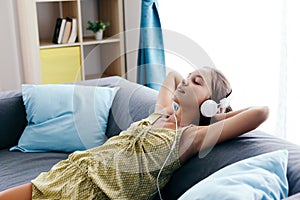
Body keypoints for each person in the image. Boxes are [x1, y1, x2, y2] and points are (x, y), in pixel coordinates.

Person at [0, 66, 269, 200]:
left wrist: (214, 115)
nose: (187, 80)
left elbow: (260, 112)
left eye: (197, 82)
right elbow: (173, 75)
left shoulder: (192, 137)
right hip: (72, 170)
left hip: (95, 193)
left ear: (209, 103)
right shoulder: (161, 112)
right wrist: (193, 86)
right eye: (191, 75)